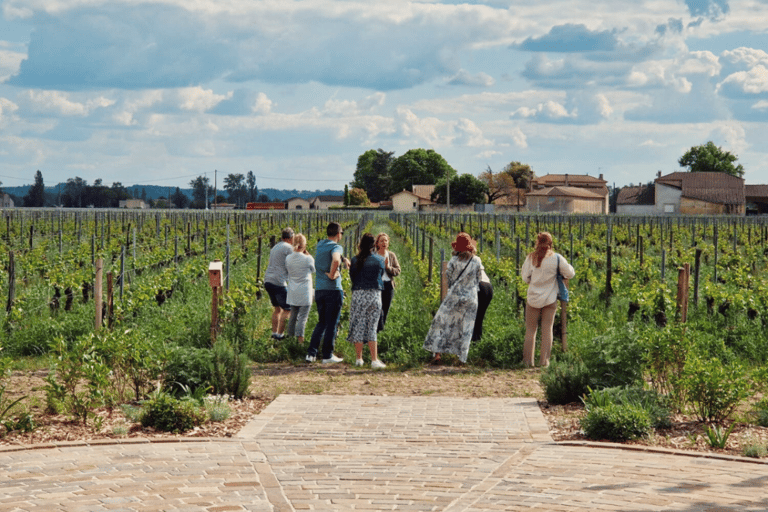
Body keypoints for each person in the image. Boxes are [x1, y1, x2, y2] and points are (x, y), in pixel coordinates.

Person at [423, 232, 483, 364]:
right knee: (466, 327)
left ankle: (437, 354)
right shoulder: (477, 260)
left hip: (455, 296)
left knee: (441, 323)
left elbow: (448, 278)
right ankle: (461, 358)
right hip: (471, 298)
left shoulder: (454, 261)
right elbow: (479, 278)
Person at [520, 231, 575, 368]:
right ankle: (544, 362)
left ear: (537, 242)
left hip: (533, 298)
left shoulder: (530, 258)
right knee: (547, 329)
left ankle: (527, 362)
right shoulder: (557, 258)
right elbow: (570, 273)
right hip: (550, 299)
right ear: (551, 243)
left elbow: (525, 277)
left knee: (530, 330)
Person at [306, 222, 350, 364]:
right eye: (341, 233)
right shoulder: (337, 246)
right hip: (333, 290)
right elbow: (336, 259)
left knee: (322, 322)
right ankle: (327, 355)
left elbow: (335, 256)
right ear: (338, 234)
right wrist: (332, 274)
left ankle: (311, 354)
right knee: (332, 323)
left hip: (319, 289)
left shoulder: (320, 245)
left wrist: (344, 259)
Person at [347, 233, 387, 368]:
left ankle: (359, 359)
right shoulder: (379, 260)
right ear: (374, 245)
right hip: (374, 295)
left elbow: (352, 276)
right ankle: (374, 360)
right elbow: (380, 276)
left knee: (358, 324)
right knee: (372, 327)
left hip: (358, 295)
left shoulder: (354, 260)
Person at [263, 227, 294, 339]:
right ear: (291, 238)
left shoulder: (275, 247)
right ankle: (280, 335)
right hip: (279, 281)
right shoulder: (289, 248)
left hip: (268, 280)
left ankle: (274, 333)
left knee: (277, 308)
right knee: (288, 309)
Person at [285, 234, 315, 344]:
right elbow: (313, 270)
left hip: (293, 290)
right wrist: (308, 255)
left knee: (293, 316)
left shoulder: (288, 258)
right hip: (305, 291)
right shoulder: (308, 259)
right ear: (304, 245)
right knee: (302, 317)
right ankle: (300, 341)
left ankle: (290, 339)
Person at [375, 233, 401, 332]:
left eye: (386, 240)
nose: (384, 243)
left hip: (388, 285)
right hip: (377, 285)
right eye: (381, 241)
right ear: (377, 243)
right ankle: (376, 329)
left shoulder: (391, 255)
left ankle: (380, 331)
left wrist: (388, 268)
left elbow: (398, 270)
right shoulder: (374, 255)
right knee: (377, 309)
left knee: (385, 308)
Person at [472, 267, 493, 342]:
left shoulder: (460, 259)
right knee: (479, 317)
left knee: (471, 317)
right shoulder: (476, 258)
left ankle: (473, 342)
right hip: (488, 287)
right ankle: (477, 341)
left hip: (479, 286)